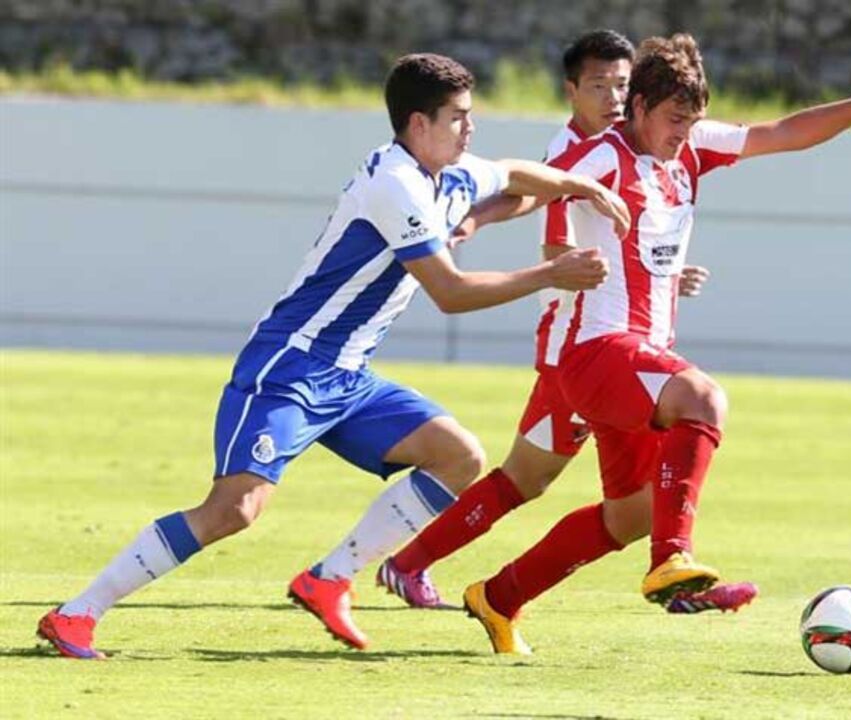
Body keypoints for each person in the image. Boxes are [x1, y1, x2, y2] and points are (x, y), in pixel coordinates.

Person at [36, 52, 632, 659]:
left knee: (457, 457)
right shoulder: (394, 184)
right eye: (458, 118)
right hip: (290, 366)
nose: (469, 129)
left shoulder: (448, 171)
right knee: (233, 510)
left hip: (347, 377)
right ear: (418, 125)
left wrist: (579, 183)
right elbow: (450, 293)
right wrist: (551, 273)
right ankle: (76, 614)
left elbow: (510, 173)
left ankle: (328, 578)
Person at [460, 33, 851, 653]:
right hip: (596, 353)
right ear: (639, 108)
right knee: (704, 398)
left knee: (628, 516)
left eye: (692, 119)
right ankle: (673, 561)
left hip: (641, 361)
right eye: (674, 119)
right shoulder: (601, 156)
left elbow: (784, 132)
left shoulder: (692, 149)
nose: (685, 131)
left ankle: (498, 598)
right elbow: (533, 190)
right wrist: (469, 217)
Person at [374, 29, 741, 616]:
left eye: (623, 84)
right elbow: (550, 237)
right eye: (601, 85)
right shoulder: (579, 150)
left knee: (549, 483)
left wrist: (668, 274)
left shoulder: (634, 152)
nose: (614, 96)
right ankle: (415, 564)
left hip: (609, 344)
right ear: (573, 90)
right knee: (531, 479)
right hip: (581, 347)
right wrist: (476, 221)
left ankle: (416, 565)